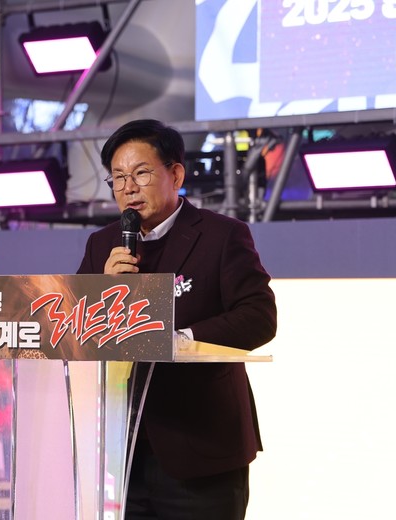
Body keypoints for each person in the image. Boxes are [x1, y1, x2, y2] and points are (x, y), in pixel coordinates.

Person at [77, 119, 277, 519]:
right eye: (118, 178)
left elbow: (258, 317)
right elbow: (77, 331)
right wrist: (103, 292)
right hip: (124, 453)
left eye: (141, 173)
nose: (128, 188)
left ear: (176, 174)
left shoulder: (222, 235)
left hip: (202, 450)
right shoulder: (102, 244)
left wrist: (179, 341)